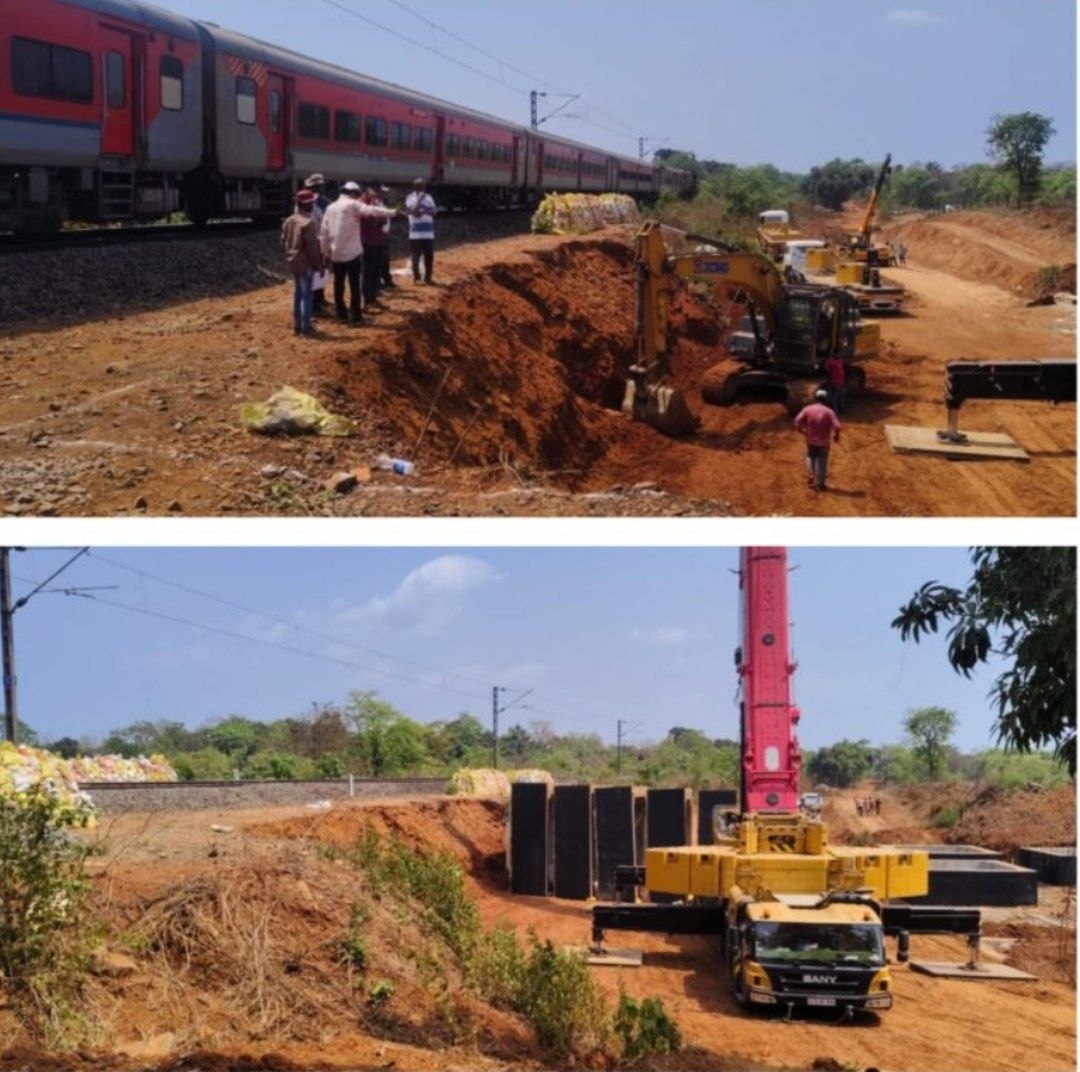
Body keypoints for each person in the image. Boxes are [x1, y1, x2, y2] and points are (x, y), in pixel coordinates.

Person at [320, 182, 398, 325]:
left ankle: (341, 313)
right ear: (353, 193)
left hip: (336, 252)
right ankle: (356, 316)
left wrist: (325, 252)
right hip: (352, 254)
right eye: (357, 194)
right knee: (354, 285)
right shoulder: (352, 204)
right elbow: (371, 210)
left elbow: (324, 233)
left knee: (338, 284)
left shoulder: (330, 208)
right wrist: (392, 212)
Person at [281, 189, 324, 336]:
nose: (313, 205)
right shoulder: (308, 223)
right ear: (307, 205)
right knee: (307, 295)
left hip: (293, 262)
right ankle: (306, 327)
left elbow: (283, 241)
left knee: (297, 294)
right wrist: (319, 264)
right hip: (306, 263)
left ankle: (297, 325)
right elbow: (312, 248)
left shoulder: (289, 221)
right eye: (311, 203)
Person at [794, 388, 841, 491]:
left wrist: (802, 432)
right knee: (822, 462)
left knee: (810, 456)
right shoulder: (829, 412)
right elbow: (837, 426)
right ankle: (820, 484)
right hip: (824, 442)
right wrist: (836, 436)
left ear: (815, 398)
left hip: (810, 439)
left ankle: (811, 474)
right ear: (826, 399)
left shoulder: (808, 409)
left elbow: (797, 421)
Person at [303, 174, 331, 317]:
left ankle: (320, 299)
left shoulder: (323, 202)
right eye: (315, 187)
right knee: (315, 271)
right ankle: (316, 304)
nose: (317, 189)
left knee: (321, 271)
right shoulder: (310, 202)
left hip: (319, 241)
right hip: (313, 242)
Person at [360, 186, 389, 309]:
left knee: (376, 270)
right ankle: (367, 299)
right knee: (368, 271)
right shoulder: (360, 203)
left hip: (378, 241)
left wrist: (376, 220)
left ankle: (373, 297)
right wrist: (377, 220)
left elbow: (383, 219)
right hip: (367, 242)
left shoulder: (376, 203)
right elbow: (368, 219)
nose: (374, 196)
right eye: (372, 193)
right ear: (367, 192)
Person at [405, 177, 437, 284]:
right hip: (416, 233)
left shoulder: (429, 197)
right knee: (416, 257)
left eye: (423, 186)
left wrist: (424, 210)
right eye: (420, 186)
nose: (422, 188)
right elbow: (415, 213)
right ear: (416, 187)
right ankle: (416, 277)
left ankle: (428, 278)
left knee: (429, 257)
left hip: (429, 233)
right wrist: (419, 201)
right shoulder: (410, 198)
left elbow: (434, 212)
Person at [378, 185, 395, 289]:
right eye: (382, 192)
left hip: (384, 236)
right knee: (380, 259)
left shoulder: (381, 204)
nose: (384, 194)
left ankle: (386, 279)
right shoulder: (375, 205)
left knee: (385, 259)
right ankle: (381, 281)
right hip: (379, 236)